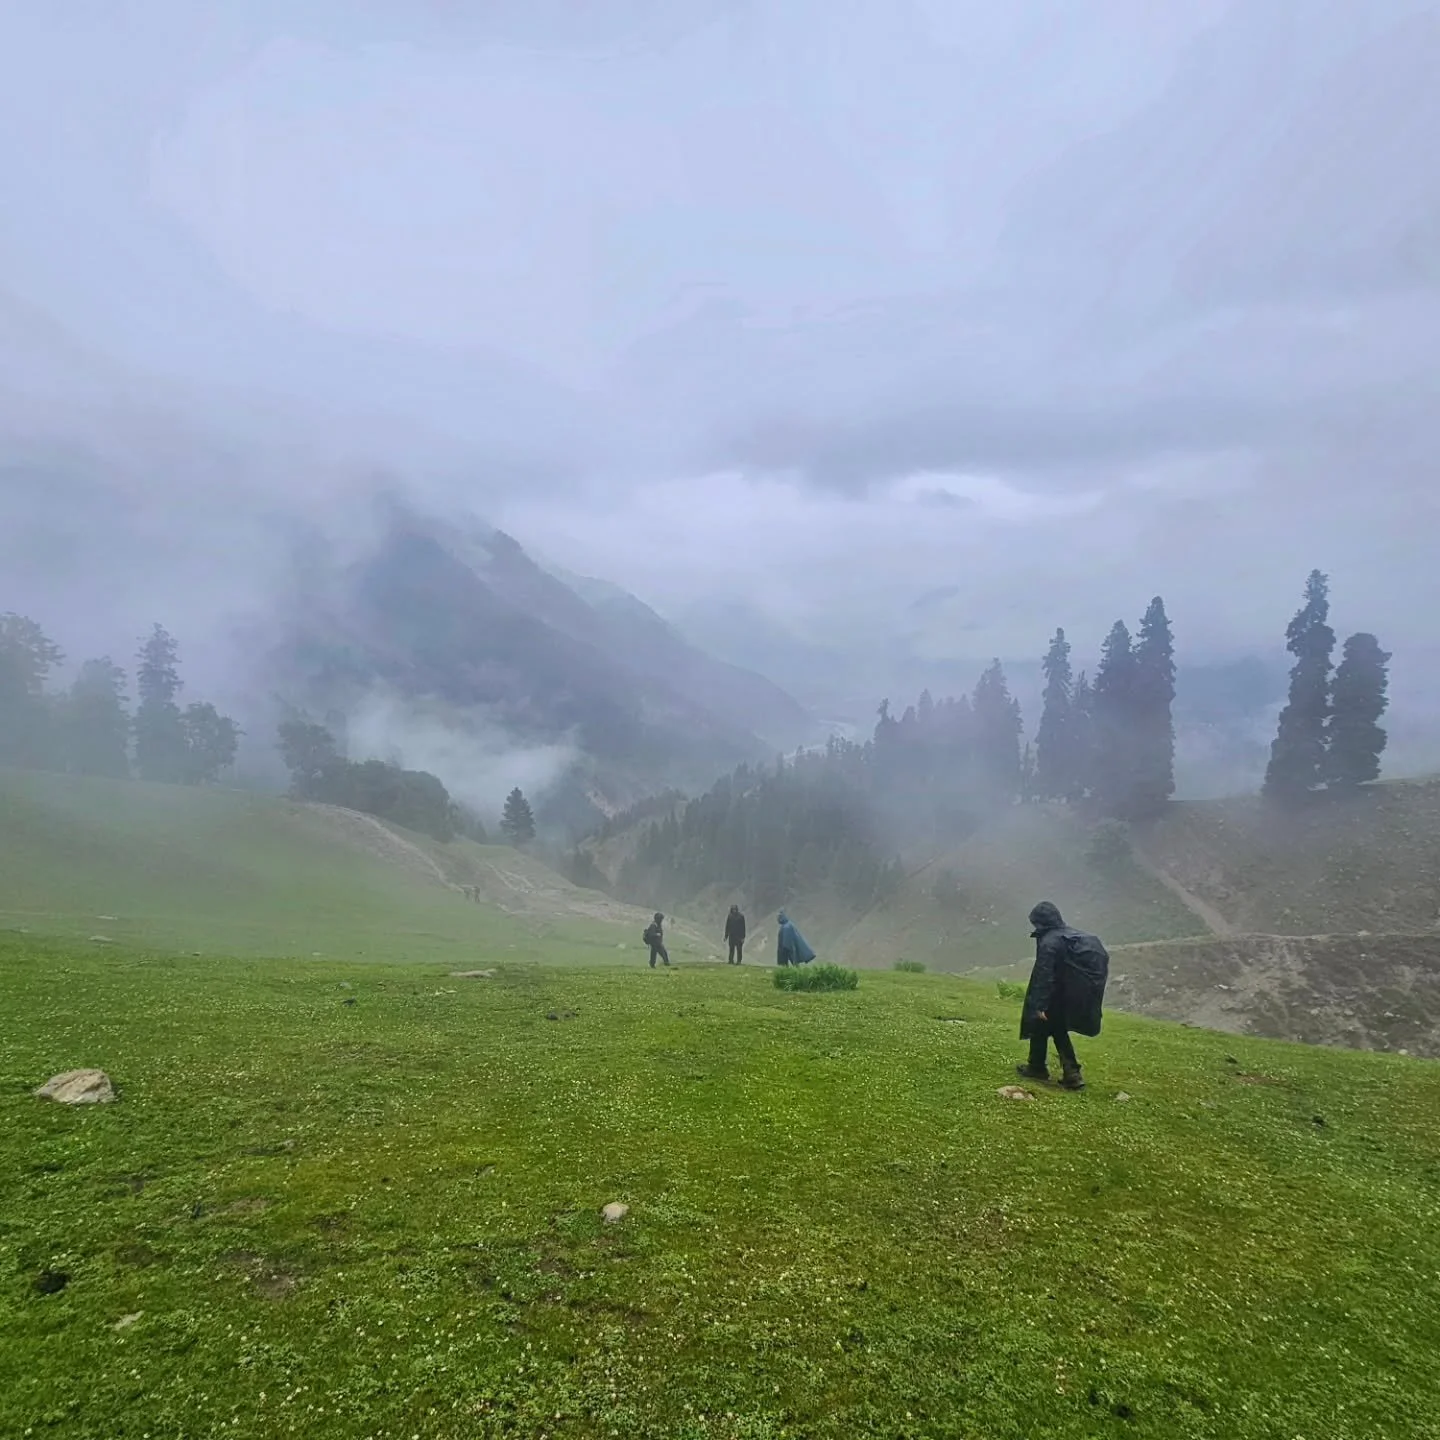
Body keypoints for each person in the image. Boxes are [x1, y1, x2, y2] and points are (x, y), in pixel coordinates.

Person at [1016, 901, 1108, 1091]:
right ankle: (1039, 1067)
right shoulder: (1068, 936)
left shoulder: (1050, 942)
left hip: (1055, 995)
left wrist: (1039, 1005)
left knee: (1053, 1028)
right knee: (1047, 1027)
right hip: (1069, 993)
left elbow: (1044, 974)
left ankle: (1069, 1074)